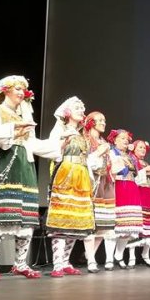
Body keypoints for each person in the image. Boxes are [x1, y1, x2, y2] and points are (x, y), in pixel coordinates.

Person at [0, 76, 59, 281]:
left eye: (24, 90)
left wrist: (59, 147)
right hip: (4, 160)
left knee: (26, 216)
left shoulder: (24, 114)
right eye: (18, 89)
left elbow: (32, 143)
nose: (22, 93)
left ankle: (20, 264)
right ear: (6, 90)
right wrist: (13, 130)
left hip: (25, 164)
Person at [45, 96, 95, 277]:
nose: (82, 110)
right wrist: (62, 143)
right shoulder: (60, 128)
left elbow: (87, 158)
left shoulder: (82, 134)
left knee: (76, 221)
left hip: (81, 175)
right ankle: (57, 264)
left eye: (82, 108)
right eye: (77, 108)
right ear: (67, 112)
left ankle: (65, 261)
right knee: (62, 220)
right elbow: (51, 150)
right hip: (66, 172)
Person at [81, 111, 117, 273]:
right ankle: (91, 260)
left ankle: (90, 255)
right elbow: (86, 162)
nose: (103, 123)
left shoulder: (103, 142)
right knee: (92, 224)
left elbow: (111, 165)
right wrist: (100, 152)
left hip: (106, 183)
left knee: (105, 224)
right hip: (91, 182)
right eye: (100, 120)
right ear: (91, 122)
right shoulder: (85, 140)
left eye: (104, 120)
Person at [110, 129, 143, 269]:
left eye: (127, 139)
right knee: (117, 225)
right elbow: (113, 170)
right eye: (122, 138)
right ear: (115, 140)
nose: (126, 140)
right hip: (119, 186)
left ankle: (118, 254)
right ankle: (109, 258)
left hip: (131, 187)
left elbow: (136, 173)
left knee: (128, 227)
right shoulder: (112, 153)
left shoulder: (130, 156)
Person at [131, 139, 150, 268]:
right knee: (136, 225)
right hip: (138, 192)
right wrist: (144, 171)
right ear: (134, 149)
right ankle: (131, 256)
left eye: (144, 148)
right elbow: (133, 179)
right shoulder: (132, 161)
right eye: (140, 147)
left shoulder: (146, 163)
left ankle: (145, 254)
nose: (143, 150)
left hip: (148, 193)